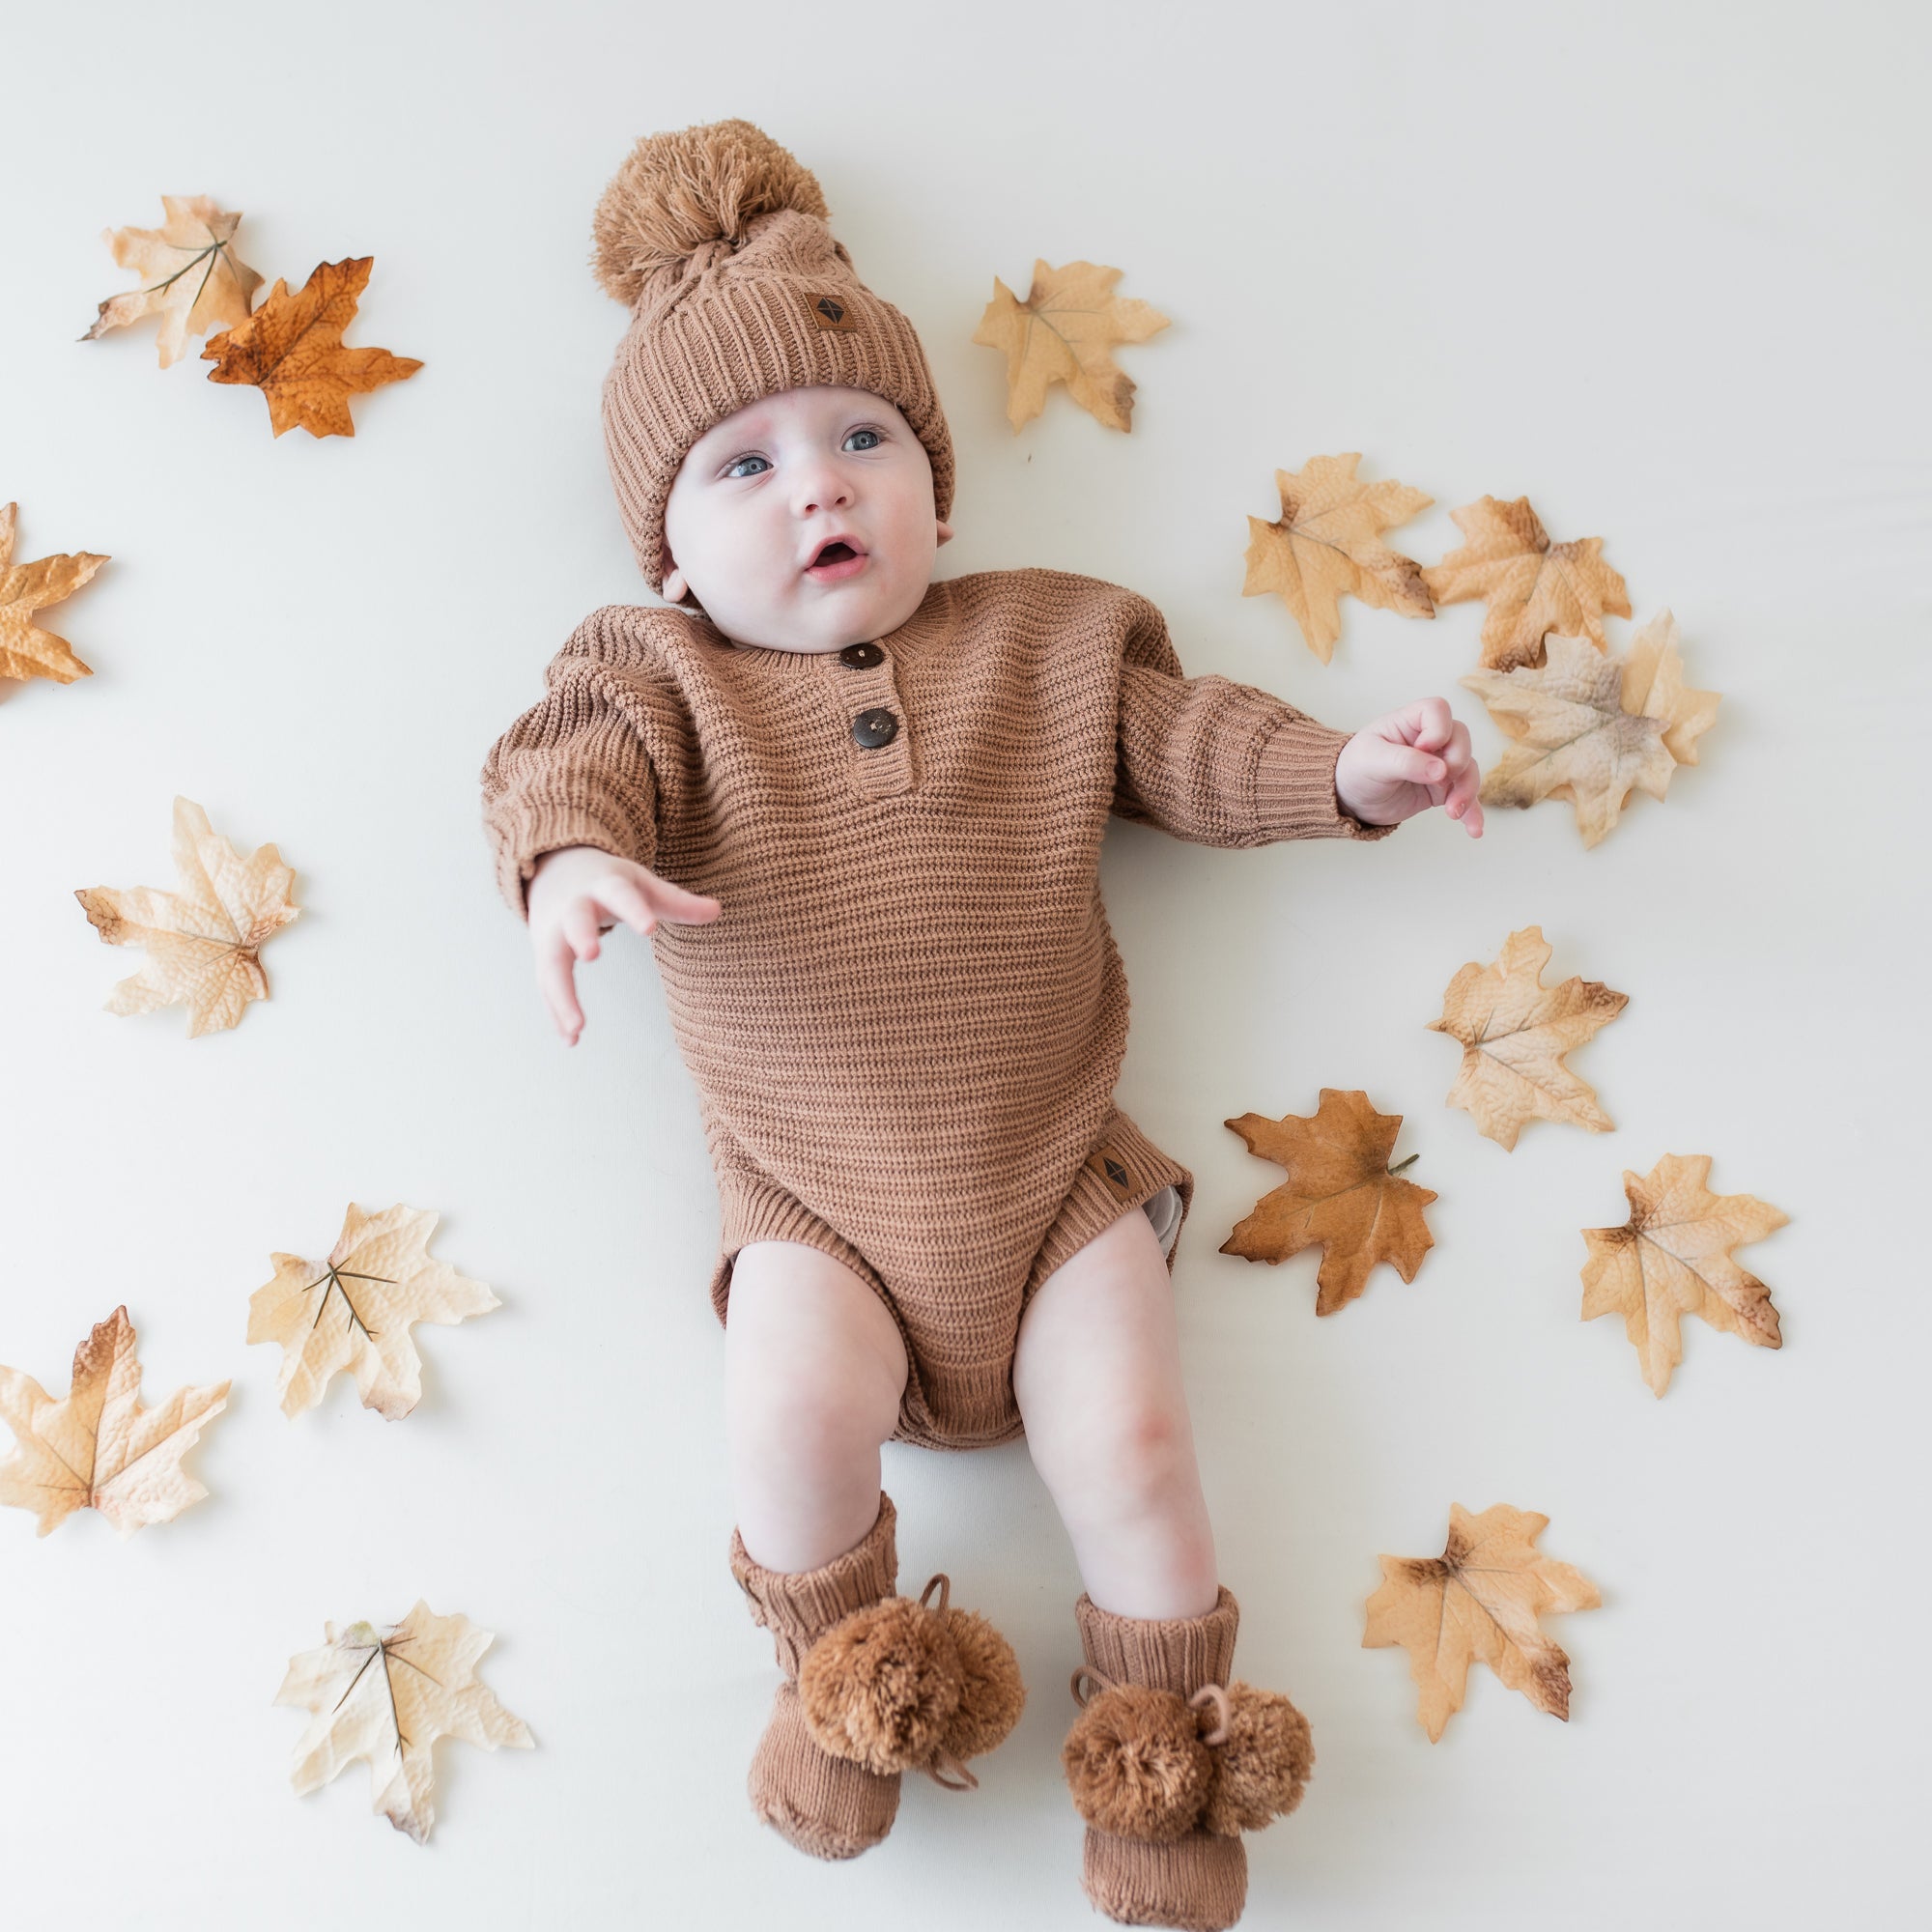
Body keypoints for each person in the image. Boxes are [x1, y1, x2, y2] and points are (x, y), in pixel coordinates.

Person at [479, 117, 1480, 1931]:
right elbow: (567, 761)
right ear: (671, 552)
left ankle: (1162, 1758)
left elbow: (1192, 747)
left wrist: (1345, 771)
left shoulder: (1058, 641)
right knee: (785, 1416)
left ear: (937, 476)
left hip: (1059, 1182)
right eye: (746, 463)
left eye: (867, 436)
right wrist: (568, 864)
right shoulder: (660, 677)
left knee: (1140, 1452)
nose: (821, 486)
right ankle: (839, 1688)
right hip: (817, 1203)